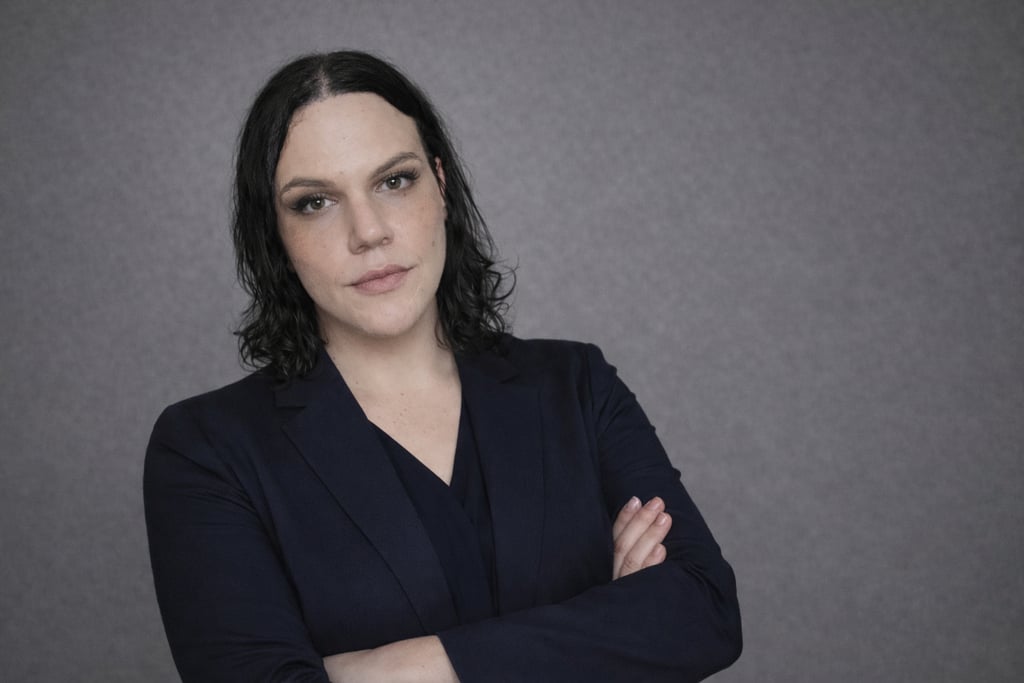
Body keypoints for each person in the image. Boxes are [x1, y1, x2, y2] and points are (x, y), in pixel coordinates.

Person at [144, 50, 741, 682]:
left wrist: (403, 667)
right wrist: (605, 630)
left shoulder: (576, 387)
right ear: (275, 234)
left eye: (394, 181)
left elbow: (702, 610)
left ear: (441, 183)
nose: (368, 231)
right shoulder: (207, 448)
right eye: (315, 202)